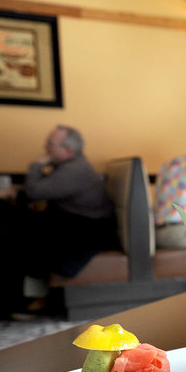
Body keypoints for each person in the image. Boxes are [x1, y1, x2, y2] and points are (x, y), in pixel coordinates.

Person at [17, 125, 117, 314]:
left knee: (28, 235)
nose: (46, 148)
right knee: (30, 230)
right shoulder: (67, 167)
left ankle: (35, 299)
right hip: (79, 224)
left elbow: (35, 191)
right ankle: (35, 297)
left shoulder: (74, 169)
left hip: (90, 230)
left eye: (50, 144)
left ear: (68, 150)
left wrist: (37, 165)